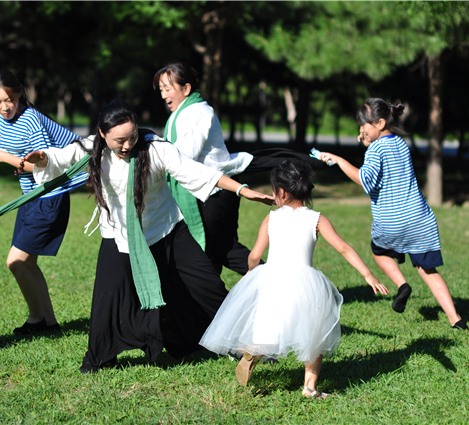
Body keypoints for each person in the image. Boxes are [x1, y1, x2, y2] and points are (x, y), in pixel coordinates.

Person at [24, 100, 274, 373]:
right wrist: (43, 159)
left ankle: (247, 344)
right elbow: (59, 159)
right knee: (109, 298)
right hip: (120, 236)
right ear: (102, 134)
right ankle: (99, 358)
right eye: (119, 140)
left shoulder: (155, 148)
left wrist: (242, 190)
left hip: (167, 230)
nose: (127, 145)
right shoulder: (91, 149)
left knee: (208, 287)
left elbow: (198, 173)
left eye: (132, 137)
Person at [199, 159, 389, 397]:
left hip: (272, 278)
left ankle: (254, 351)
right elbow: (343, 248)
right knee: (314, 334)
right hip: (305, 283)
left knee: (270, 326)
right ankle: (309, 386)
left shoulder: (271, 218)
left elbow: (255, 255)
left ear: (280, 192)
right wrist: (368, 275)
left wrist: (250, 271)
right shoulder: (317, 219)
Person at [154, 61, 322, 275]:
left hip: (213, 195)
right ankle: (273, 282)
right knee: (223, 250)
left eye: (167, 89)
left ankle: (260, 285)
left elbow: (182, 157)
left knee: (204, 254)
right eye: (161, 89)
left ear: (186, 89)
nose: (163, 95)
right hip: (217, 193)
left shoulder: (196, 113)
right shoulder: (187, 112)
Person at [317, 98, 467, 330]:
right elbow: (383, 163)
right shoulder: (399, 143)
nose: (361, 130)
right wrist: (368, 145)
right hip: (419, 218)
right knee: (427, 270)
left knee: (379, 252)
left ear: (380, 122)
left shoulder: (376, 149)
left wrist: (338, 160)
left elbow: (365, 181)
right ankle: (455, 319)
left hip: (391, 220)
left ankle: (402, 285)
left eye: (364, 125)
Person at [0, 70, 87, 336]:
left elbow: (43, 166)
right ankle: (47, 324)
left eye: (9, 99)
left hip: (48, 196)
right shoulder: (0, 119)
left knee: (15, 262)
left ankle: (37, 318)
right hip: (29, 198)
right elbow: (9, 153)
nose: (5, 107)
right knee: (28, 264)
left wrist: (5, 158)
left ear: (18, 93)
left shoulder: (30, 119)